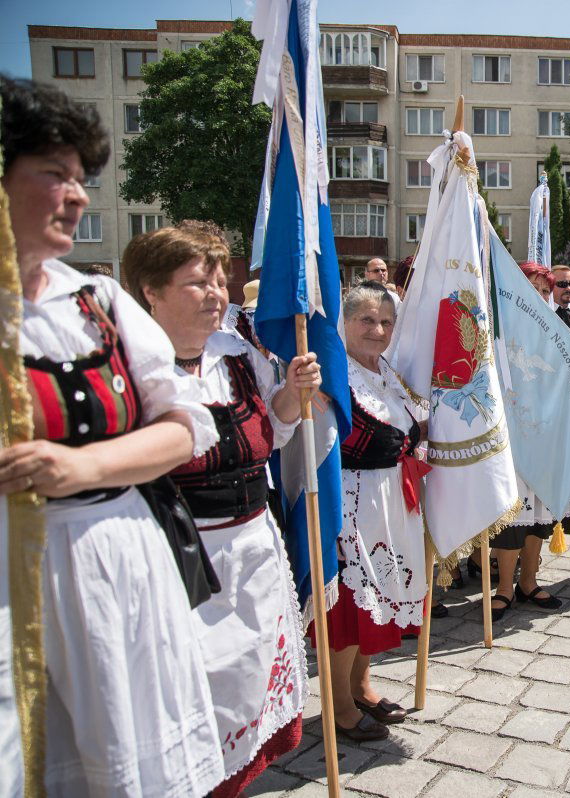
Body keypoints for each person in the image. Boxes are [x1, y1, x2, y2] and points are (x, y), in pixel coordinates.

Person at [0, 76, 225, 795]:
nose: (78, 197)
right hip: (13, 574)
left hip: (118, 560)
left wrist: (80, 467)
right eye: (55, 175)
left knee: (130, 753)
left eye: (81, 178)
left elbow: (187, 426)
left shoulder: (95, 303)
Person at [124, 222, 315, 796]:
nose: (215, 294)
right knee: (183, 709)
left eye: (218, 280)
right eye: (196, 282)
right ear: (151, 292)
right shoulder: (130, 370)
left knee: (243, 694)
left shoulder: (238, 357)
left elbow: (270, 437)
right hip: (179, 567)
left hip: (254, 553)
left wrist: (291, 395)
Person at [321, 281, 429, 741]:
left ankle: (361, 685)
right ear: (343, 323)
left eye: (386, 321)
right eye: (366, 320)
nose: (378, 329)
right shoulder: (333, 376)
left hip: (391, 500)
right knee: (353, 602)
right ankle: (338, 705)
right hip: (351, 502)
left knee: (382, 596)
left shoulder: (387, 370)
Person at [486, 262, 570, 619]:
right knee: (513, 517)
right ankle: (504, 588)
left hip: (546, 435)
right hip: (512, 436)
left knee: (539, 516)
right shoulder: (497, 329)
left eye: (545, 291)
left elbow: (565, 377)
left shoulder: (558, 330)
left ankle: (530, 580)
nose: (540, 298)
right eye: (533, 290)